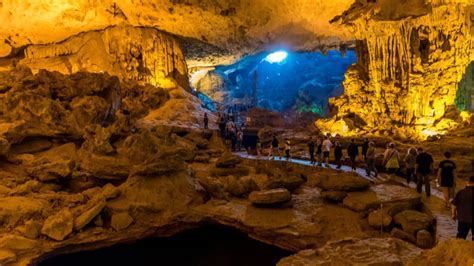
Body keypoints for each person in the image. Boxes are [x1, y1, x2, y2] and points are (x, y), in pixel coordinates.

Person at [451, 176, 473, 240]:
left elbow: (453, 205)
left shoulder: (461, 192)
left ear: (467, 182)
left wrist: (453, 214)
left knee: (460, 239)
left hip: (463, 219)